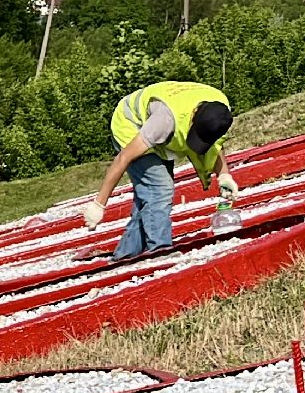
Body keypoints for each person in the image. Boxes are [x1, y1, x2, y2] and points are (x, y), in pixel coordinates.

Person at [80, 80, 237, 260]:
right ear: (193, 115)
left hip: (160, 135)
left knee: (151, 199)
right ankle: (160, 250)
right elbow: (124, 158)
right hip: (130, 126)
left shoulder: (220, 111)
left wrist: (224, 175)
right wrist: (99, 203)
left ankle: (125, 255)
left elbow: (215, 144)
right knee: (160, 189)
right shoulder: (165, 120)